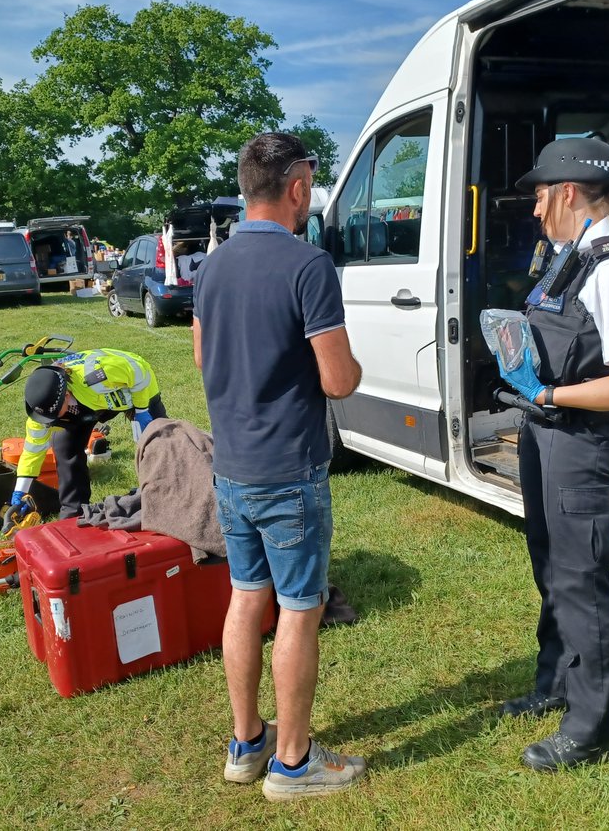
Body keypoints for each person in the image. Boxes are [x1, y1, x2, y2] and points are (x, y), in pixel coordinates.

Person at [193, 132, 365, 802]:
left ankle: (247, 743)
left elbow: (203, 359)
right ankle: (293, 763)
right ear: (297, 188)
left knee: (246, 597)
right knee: (299, 609)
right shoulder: (309, 265)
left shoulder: (210, 267)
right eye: (311, 187)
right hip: (289, 470)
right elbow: (339, 380)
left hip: (231, 467)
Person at [494, 137, 609, 771]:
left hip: (580, 439)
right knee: (551, 563)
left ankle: (590, 729)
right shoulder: (571, 259)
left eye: (540, 197)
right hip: (546, 429)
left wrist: (551, 392)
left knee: (580, 576)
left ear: (568, 193)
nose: (536, 210)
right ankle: (556, 683)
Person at [12, 349, 167, 520]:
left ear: (66, 395)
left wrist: (142, 409)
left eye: (54, 415)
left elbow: (137, 370)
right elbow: (33, 451)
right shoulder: (41, 412)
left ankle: (164, 497)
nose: (50, 422)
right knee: (65, 447)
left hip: (134, 389)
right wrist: (20, 491)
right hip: (88, 404)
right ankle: (73, 512)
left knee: (159, 442)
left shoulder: (96, 376)